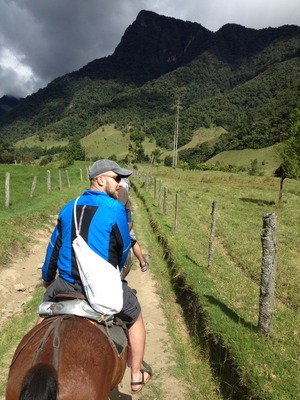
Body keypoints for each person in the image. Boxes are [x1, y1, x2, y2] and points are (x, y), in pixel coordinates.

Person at [38, 159, 151, 394]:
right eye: (117, 178)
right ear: (101, 180)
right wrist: (114, 273)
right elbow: (122, 249)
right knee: (136, 316)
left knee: (42, 317)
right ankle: (137, 375)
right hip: (101, 286)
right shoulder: (115, 209)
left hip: (65, 283)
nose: (120, 184)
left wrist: (48, 278)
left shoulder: (68, 207)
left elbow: (53, 248)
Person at [117, 178, 149, 279]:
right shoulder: (127, 201)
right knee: (133, 241)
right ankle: (142, 263)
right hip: (124, 223)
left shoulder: (111, 196)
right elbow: (129, 220)